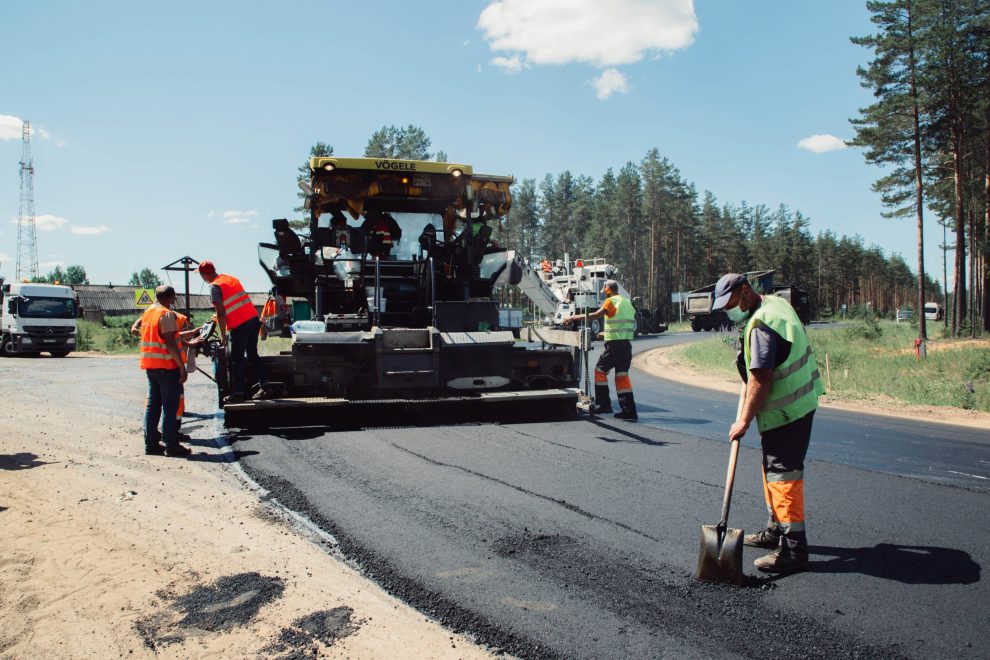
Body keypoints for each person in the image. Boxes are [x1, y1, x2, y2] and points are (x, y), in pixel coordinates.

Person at [711, 273, 825, 573]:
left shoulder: (761, 326)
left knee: (783, 476)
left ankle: (793, 550)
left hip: (786, 411)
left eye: (730, 303)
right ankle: (775, 529)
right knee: (771, 470)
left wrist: (743, 421)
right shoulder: (775, 305)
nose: (728, 310)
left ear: (745, 293)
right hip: (799, 404)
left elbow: (761, 380)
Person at [563, 279, 638, 420]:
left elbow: (595, 315)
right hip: (626, 345)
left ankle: (603, 405)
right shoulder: (627, 302)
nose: (603, 292)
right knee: (622, 376)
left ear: (608, 289)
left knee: (599, 371)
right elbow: (621, 321)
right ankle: (629, 411)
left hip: (615, 346)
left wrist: (573, 318)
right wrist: (606, 333)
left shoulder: (610, 301)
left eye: (604, 289)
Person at [197, 260, 270, 403]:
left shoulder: (214, 287)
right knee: (252, 353)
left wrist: (223, 336)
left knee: (237, 360)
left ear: (204, 274)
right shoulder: (230, 279)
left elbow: (221, 313)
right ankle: (265, 386)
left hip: (239, 326)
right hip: (253, 320)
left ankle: (238, 393)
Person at [135, 286, 191, 457]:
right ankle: (171, 445)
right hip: (166, 368)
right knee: (169, 406)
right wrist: (182, 367)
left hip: (150, 366)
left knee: (153, 406)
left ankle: (151, 444)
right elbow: (170, 343)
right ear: (172, 297)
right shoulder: (166, 314)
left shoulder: (148, 312)